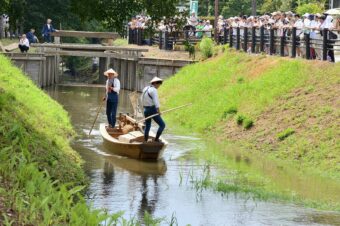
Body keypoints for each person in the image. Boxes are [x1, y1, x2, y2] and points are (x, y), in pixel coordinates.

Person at [142, 77, 166, 143]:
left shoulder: (145, 88)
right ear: (155, 83)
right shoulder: (154, 90)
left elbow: (142, 99)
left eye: (160, 84)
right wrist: (159, 111)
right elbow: (156, 102)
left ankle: (145, 140)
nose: (159, 85)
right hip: (152, 109)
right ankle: (156, 139)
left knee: (147, 125)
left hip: (145, 109)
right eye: (158, 83)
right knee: (162, 125)